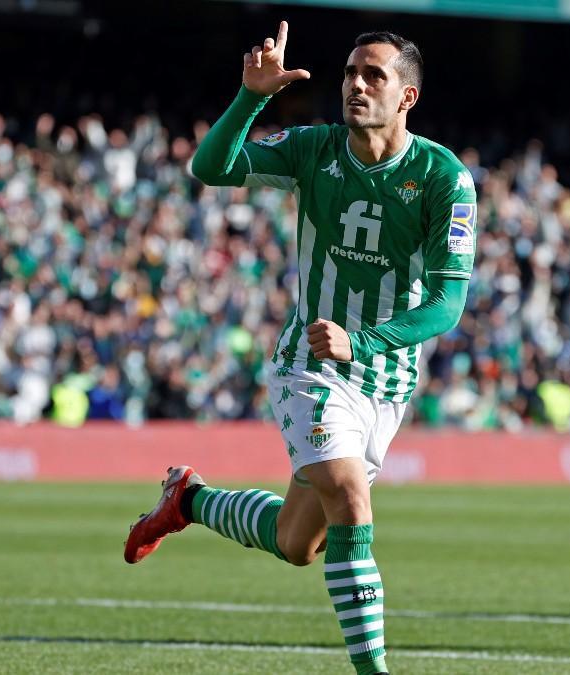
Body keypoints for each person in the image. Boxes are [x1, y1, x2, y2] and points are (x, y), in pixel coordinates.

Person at [123, 23, 477, 675]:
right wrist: (251, 97)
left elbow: (447, 303)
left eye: (374, 75)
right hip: (309, 365)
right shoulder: (315, 149)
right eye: (350, 73)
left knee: (297, 543)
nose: (356, 85)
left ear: (407, 96)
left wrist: (363, 342)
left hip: (384, 378)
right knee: (350, 498)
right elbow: (211, 168)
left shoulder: (443, 178)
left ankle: (188, 500)